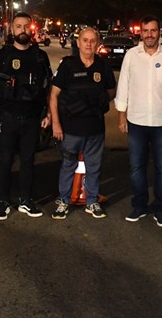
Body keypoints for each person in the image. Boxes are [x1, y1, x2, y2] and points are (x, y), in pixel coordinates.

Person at [114, 15, 162, 227]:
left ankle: (161, 208)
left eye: (153, 30)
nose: (149, 35)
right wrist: (121, 114)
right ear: (141, 33)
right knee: (137, 166)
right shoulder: (131, 55)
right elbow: (124, 85)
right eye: (145, 31)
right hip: (136, 121)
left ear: (159, 31)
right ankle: (139, 205)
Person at [0, 12, 53, 221]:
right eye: (18, 26)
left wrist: (48, 113)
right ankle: (2, 202)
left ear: (31, 29)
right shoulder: (0, 57)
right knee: (4, 161)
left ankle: (25, 200)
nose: (22, 30)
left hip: (32, 118)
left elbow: (48, 87)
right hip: (7, 117)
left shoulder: (40, 57)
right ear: (11, 30)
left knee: (27, 161)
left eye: (26, 26)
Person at [49, 27, 116, 220]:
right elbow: (54, 96)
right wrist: (56, 123)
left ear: (97, 43)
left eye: (92, 41)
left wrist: (98, 100)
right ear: (78, 43)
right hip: (71, 129)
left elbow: (111, 92)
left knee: (94, 167)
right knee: (68, 165)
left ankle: (92, 201)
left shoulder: (103, 67)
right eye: (85, 40)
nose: (89, 44)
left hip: (95, 129)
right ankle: (63, 201)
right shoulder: (68, 65)